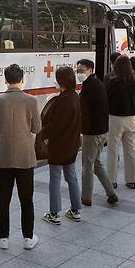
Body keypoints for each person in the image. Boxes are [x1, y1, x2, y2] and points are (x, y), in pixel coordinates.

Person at [0, 64, 41, 250]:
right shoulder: (31, 100)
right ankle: (28, 238)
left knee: (3, 199)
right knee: (26, 199)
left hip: (2, 157)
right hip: (25, 157)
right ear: (22, 79)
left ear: (5, 80)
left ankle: (3, 238)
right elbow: (37, 129)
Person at [40, 66, 83, 224]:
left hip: (59, 145)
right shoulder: (74, 96)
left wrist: (43, 135)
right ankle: (75, 209)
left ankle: (54, 213)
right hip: (72, 143)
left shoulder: (63, 99)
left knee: (55, 179)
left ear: (61, 81)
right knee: (71, 177)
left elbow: (55, 125)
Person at [76, 59, 118, 206]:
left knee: (87, 165)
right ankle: (111, 193)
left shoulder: (90, 87)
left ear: (90, 69)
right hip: (102, 130)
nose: (79, 73)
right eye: (78, 70)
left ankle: (86, 197)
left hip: (92, 132)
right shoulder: (98, 83)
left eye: (81, 70)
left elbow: (84, 108)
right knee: (97, 163)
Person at [106, 55, 135, 189]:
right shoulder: (134, 82)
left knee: (113, 149)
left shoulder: (112, 82)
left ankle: (112, 179)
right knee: (131, 150)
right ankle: (131, 180)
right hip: (131, 118)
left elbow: (106, 98)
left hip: (115, 118)